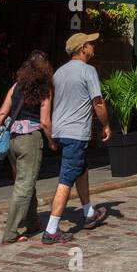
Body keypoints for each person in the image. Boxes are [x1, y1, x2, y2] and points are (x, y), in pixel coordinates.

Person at [43, 32, 111, 245]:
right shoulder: (88, 71)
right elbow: (98, 102)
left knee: (81, 169)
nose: (93, 46)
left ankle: (89, 213)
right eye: (90, 44)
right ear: (83, 48)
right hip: (75, 132)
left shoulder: (59, 73)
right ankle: (51, 230)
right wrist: (106, 124)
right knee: (66, 179)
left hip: (61, 130)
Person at [0, 49, 55, 245]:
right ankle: (11, 232)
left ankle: (32, 222)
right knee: (24, 185)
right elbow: (45, 121)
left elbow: (1, 114)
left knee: (27, 180)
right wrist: (51, 141)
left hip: (12, 139)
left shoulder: (16, 86)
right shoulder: (45, 88)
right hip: (29, 140)